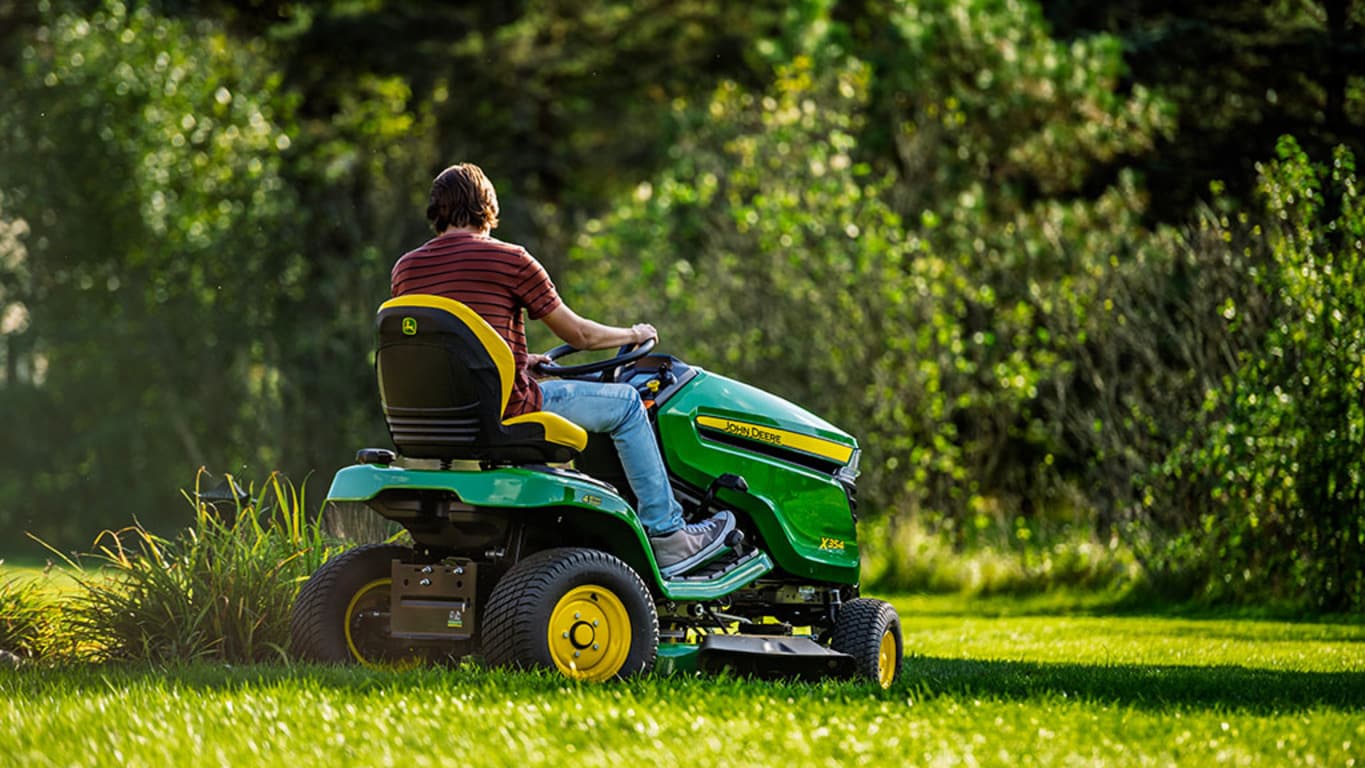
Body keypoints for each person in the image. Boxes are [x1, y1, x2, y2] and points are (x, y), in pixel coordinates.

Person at [391, 163, 734, 578]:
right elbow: (581, 335)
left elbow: (448, 344)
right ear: (488, 207)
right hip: (505, 411)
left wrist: (521, 360)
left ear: (437, 210)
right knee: (626, 403)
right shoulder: (510, 260)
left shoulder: (406, 269)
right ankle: (668, 535)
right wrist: (634, 332)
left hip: (436, 420)